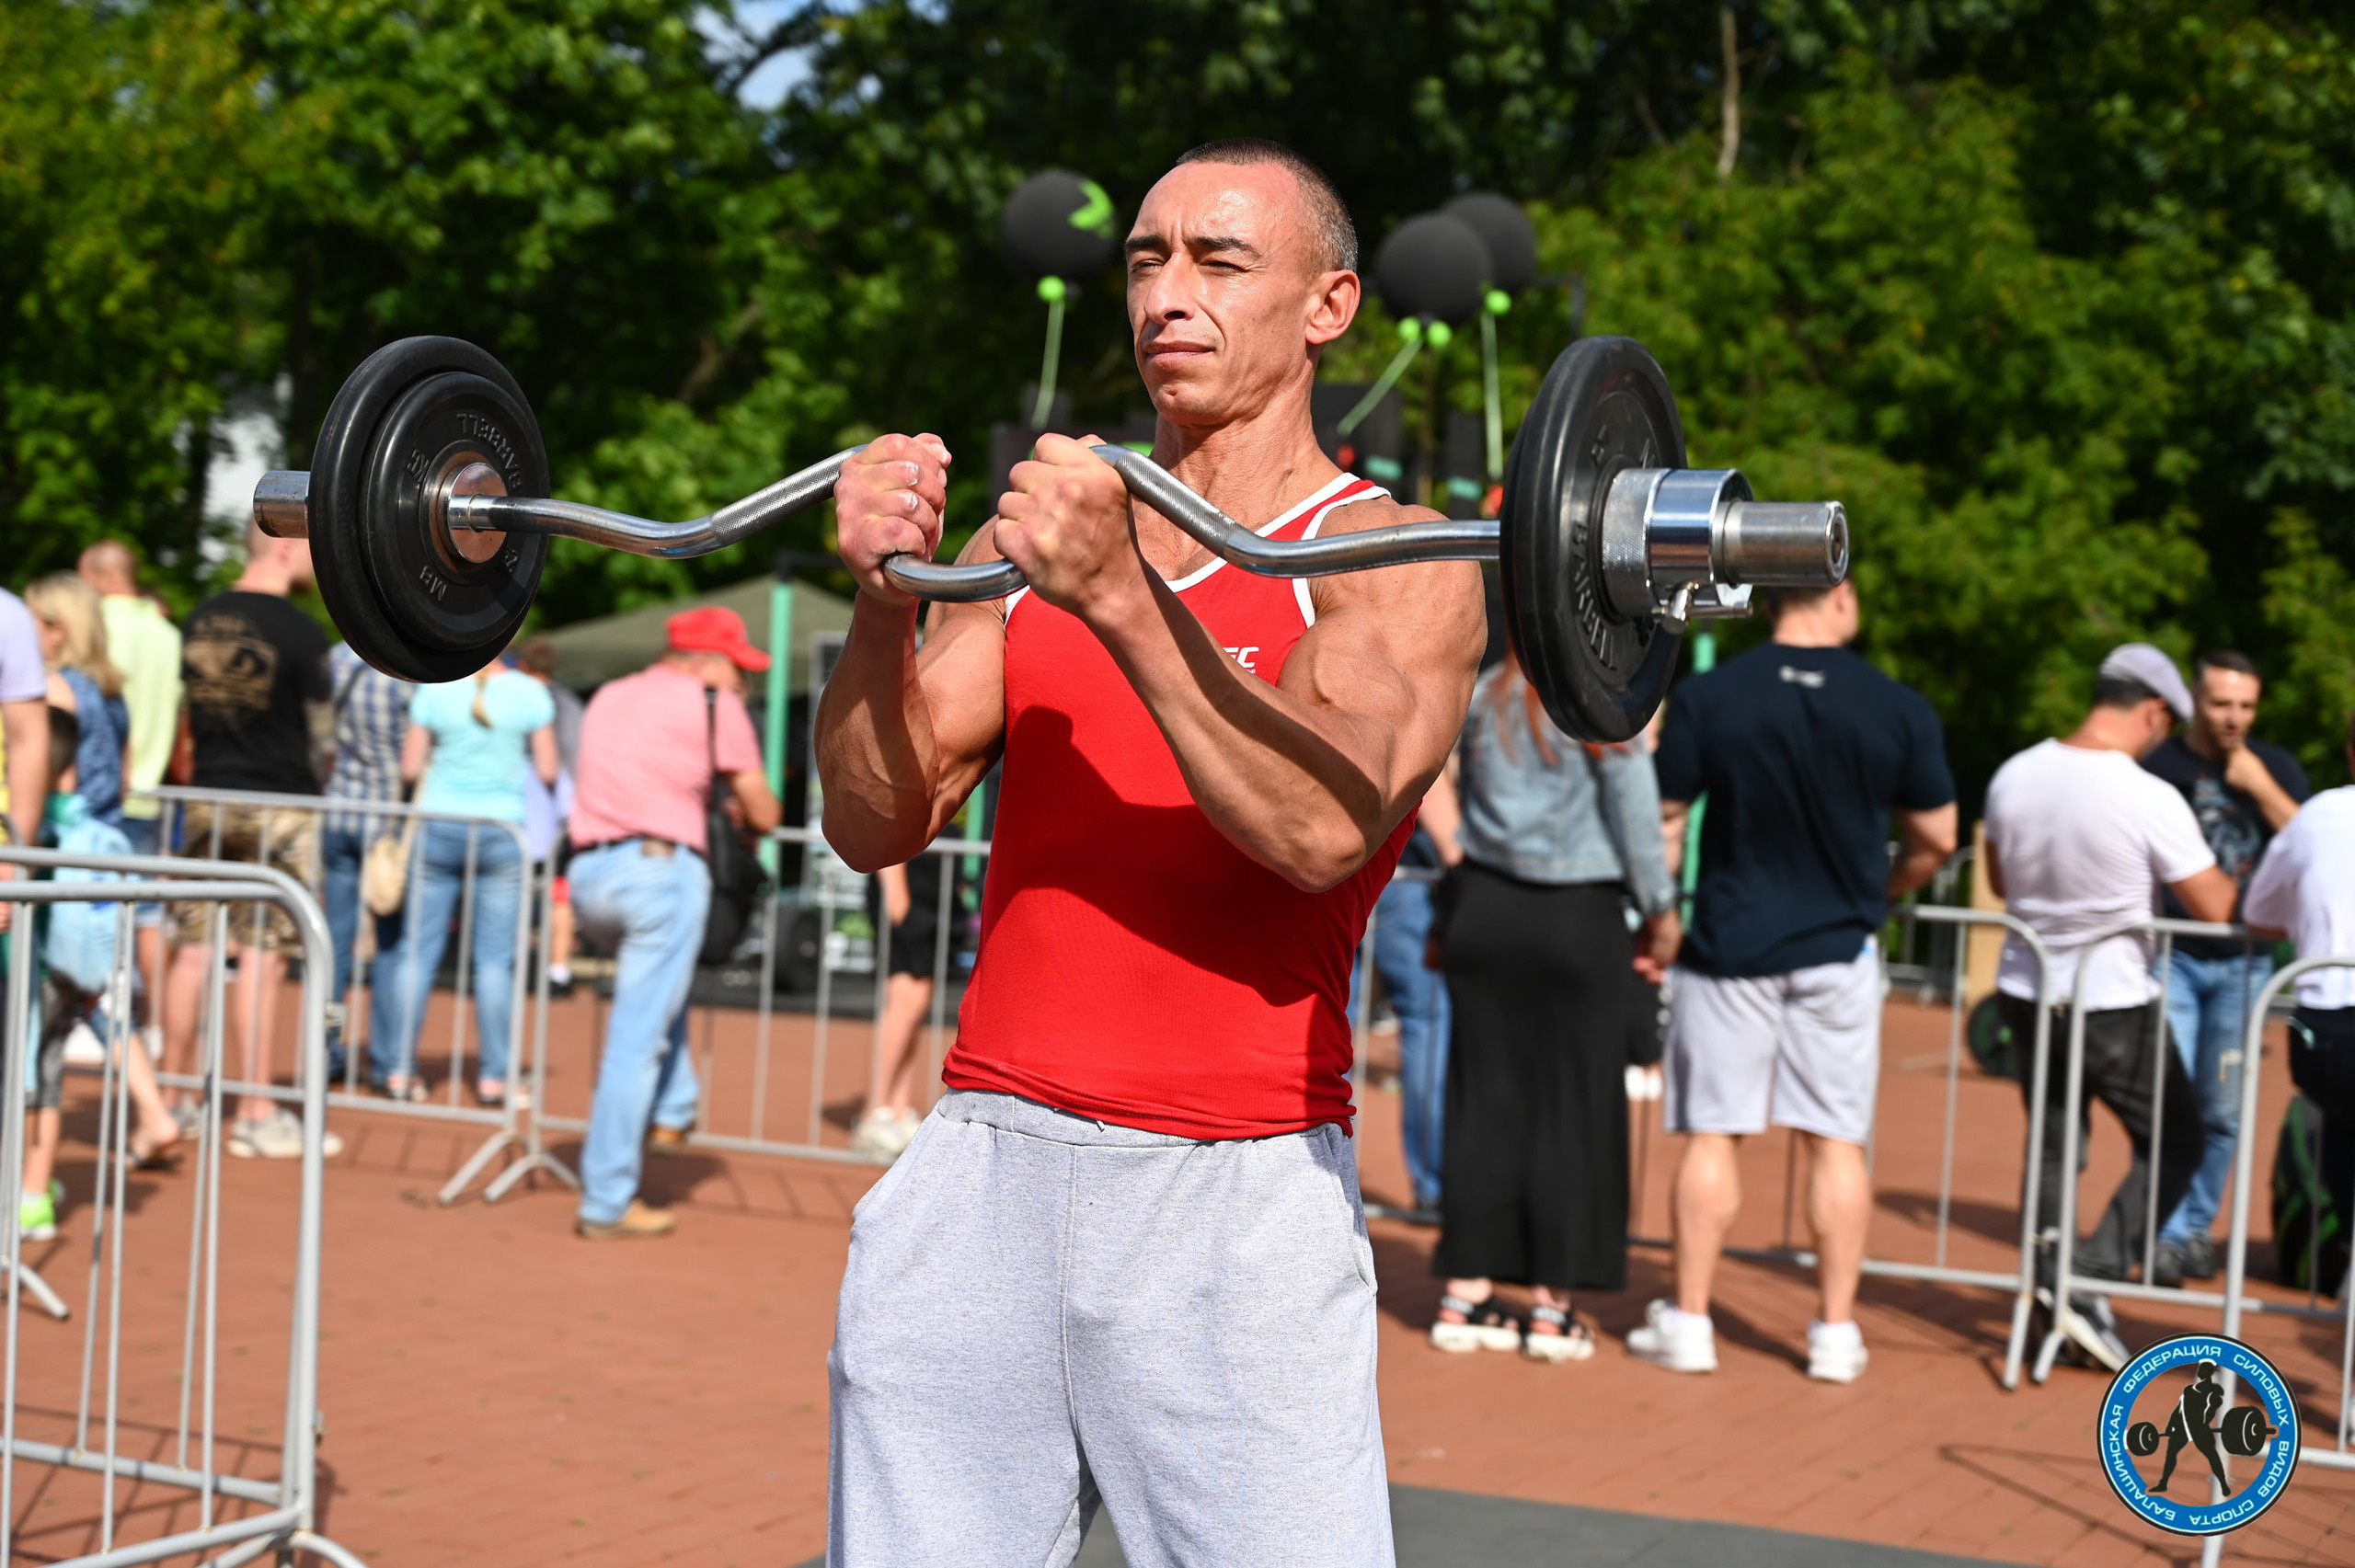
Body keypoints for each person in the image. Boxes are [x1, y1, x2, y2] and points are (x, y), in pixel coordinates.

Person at [817, 140, 1483, 1566]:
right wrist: (879, 605)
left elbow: (1317, 827)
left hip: (1232, 1198)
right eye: (1145, 258)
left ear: (1331, 306)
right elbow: (877, 816)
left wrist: (1124, 595)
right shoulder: (1042, 548)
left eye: (1219, 260)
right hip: (984, 1168)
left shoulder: (1396, 555)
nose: (1167, 293)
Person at [1635, 579, 1957, 1385]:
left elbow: (1665, 820)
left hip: (1729, 943)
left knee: (1714, 1134)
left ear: (1771, 600)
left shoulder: (1711, 696)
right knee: (1835, 1141)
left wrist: (1661, 913)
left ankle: (1693, 1323)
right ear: (1841, 595)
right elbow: (1938, 836)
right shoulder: (1896, 704)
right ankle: (1835, 1333)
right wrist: (1888, 890)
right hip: (1838, 946)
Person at [1982, 645, 2233, 1369]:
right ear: (2155, 711)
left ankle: (2053, 1287)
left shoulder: (2016, 772)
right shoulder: (2148, 793)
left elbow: (1999, 879)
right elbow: (2215, 904)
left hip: (2030, 991)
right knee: (2179, 1138)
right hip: (2116, 998)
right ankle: (2088, 1279)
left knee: (2057, 1142)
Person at [1428, 648, 1679, 1363]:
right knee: (1573, 1111)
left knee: (1484, 1101)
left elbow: (1440, 779)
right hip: (1578, 913)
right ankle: (1550, 1305)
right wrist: (1661, 913)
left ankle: (1466, 1291)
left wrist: (1458, 859)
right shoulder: (1602, 704)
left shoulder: (1485, 693)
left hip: (1486, 904)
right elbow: (1634, 815)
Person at [567, 608, 778, 1237]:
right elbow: (764, 809)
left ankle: (675, 1106)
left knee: (660, 994)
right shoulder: (715, 703)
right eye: (740, 668)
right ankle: (605, 1200)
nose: (745, 683)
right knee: (636, 1042)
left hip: (588, 877)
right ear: (708, 661)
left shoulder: (609, 693)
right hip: (661, 875)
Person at [162, 524, 341, 1161]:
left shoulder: (199, 618)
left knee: (193, 948)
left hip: (207, 794)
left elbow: (186, 715)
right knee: (262, 954)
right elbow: (324, 732)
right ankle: (256, 1111)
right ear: (284, 545)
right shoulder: (301, 631)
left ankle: (175, 1098)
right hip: (281, 802)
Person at [2140, 650, 2309, 1286]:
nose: (2234, 716)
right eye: (2220, 703)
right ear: (2194, 699)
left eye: (2245, 705)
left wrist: (2260, 785)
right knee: (2169, 1098)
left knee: (2223, 1108)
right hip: (2174, 954)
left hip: (2245, 966)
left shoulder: (2278, 767)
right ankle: (2161, 1229)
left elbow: (2312, 841)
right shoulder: (2159, 765)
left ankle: (2192, 1229)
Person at [24, 705, 181, 1240]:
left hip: (42, 962)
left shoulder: (33, 826)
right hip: (87, 966)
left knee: (33, 1072)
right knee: (47, 1073)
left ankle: (29, 1193)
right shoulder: (92, 829)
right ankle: (33, 1194)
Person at [368, 659, 556, 1104]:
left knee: (418, 954)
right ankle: (495, 1078)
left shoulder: (435, 688)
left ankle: (398, 1070)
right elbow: (548, 771)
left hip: (438, 825)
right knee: (494, 962)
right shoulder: (531, 693)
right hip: (502, 831)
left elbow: (410, 768)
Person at [2241, 714, 2355, 1253]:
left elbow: (2259, 913)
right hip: (2331, 1025)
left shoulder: (2317, 815)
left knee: (2339, 1135)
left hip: (2323, 1027)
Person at [318, 643, 413, 1082]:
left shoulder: (339, 657)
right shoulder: (407, 666)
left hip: (339, 809)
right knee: (391, 947)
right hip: (386, 822)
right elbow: (412, 757)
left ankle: (327, 1052)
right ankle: (386, 1060)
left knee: (334, 945)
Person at [1373, 771, 1460, 1214]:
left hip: (1311, 855)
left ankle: (1312, 1180)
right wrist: (1460, 865)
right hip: (1396, 871)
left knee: (1319, 1026)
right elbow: (1429, 773)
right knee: (1426, 1022)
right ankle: (1432, 1187)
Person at [77, 543, 182, 856]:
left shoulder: (93, 629)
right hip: (149, 796)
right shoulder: (169, 635)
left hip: (93, 795)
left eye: (83, 579)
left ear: (106, 577)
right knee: (138, 901)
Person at [849, 853, 945, 1162]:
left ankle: (898, 1110)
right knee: (904, 1004)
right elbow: (892, 814)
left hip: (931, 892)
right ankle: (875, 1112)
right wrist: (895, 890)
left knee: (916, 1006)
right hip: (906, 891)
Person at [24, 575, 132, 829]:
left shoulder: (53, 690)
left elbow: (56, 781)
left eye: (29, 622)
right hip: (106, 838)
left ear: (57, 632)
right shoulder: (112, 691)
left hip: (60, 841)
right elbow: (124, 779)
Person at [514, 641, 580, 994]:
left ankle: (521, 964)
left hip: (520, 814)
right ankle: (558, 971)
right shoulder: (569, 703)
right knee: (559, 897)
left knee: (516, 894)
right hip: (557, 816)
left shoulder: (512, 694)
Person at [2152, 1360, 2232, 1495]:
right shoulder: (2189, 1390)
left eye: (2201, 1370)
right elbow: (2179, 1409)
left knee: (2212, 1456)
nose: (2199, 1372)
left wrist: (2203, 1423)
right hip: (2183, 1427)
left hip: (2200, 1428)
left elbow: (2212, 1410)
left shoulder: (2214, 1391)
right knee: (2171, 1454)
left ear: (2207, 1373)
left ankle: (2223, 1484)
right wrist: (2170, 1425)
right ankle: (2163, 1483)